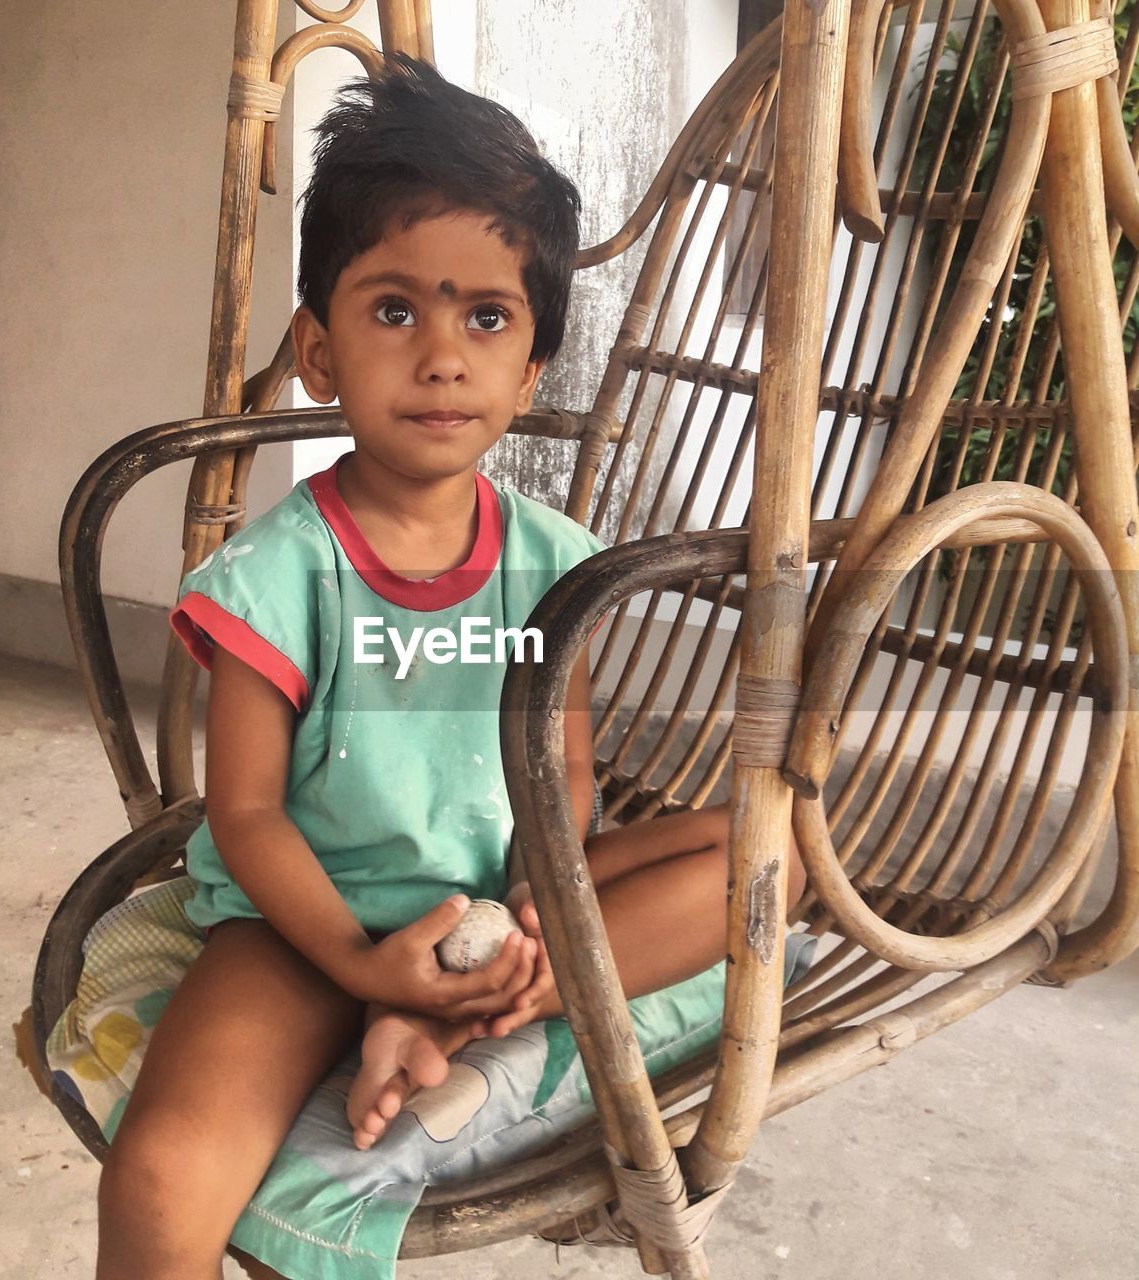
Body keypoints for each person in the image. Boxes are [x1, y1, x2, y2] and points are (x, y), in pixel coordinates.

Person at [95, 54, 805, 1279]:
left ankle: (468, 1016)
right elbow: (247, 812)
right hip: (299, 921)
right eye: (392, 309)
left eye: (485, 316)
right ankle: (410, 1013)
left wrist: (523, 928)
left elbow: (562, 774)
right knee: (161, 1172)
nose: (441, 355)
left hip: (501, 904)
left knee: (768, 845)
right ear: (317, 350)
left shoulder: (555, 564)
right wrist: (364, 961)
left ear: (530, 372)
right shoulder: (274, 574)